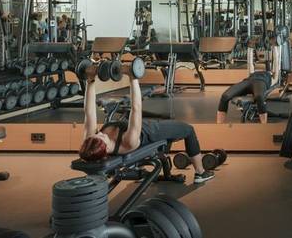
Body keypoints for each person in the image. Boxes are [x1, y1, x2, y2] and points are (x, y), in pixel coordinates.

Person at [78, 66, 215, 184]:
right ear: (106, 148)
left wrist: (90, 80)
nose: (100, 133)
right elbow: (136, 107)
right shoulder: (128, 142)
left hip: (130, 124)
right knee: (188, 130)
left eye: (98, 134)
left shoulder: (91, 142)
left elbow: (89, 112)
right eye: (101, 136)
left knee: (163, 117)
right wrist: (133, 77)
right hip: (150, 131)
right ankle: (200, 173)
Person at [216, 33, 284, 124]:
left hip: (261, 82)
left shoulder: (272, 76)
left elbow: (277, 63)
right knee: (225, 96)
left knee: (259, 97)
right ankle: (219, 125)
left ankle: (264, 125)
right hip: (249, 81)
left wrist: (275, 47)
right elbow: (250, 65)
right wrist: (250, 48)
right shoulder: (252, 73)